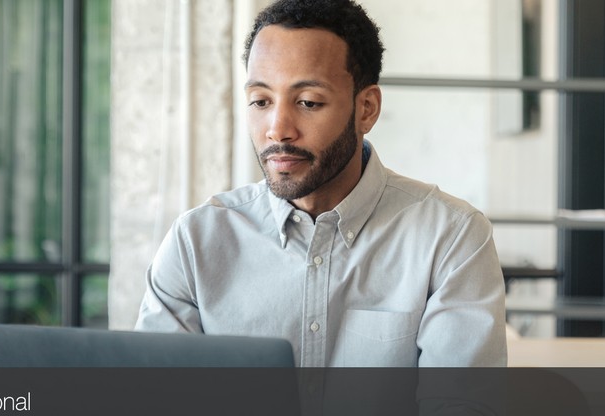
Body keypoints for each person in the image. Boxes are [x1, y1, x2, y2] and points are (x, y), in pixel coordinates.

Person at [135, 0, 507, 369]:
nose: (277, 129)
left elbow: (462, 413)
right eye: (260, 101)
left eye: (309, 102)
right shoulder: (195, 243)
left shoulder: (451, 239)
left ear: (366, 109)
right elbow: (154, 403)